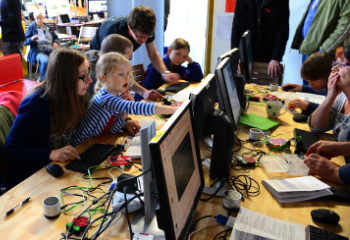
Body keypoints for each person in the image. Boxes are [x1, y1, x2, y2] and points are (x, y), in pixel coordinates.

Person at [4, 49, 92, 189]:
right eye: (83, 76)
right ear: (65, 79)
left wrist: (124, 121)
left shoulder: (77, 96)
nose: (90, 80)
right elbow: (12, 148)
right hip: (31, 180)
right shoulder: (37, 103)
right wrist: (51, 153)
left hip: (62, 170)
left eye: (88, 72)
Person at [73, 52, 178, 146]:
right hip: (80, 146)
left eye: (128, 73)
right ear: (105, 78)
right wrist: (173, 110)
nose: (127, 78)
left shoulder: (117, 95)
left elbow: (112, 129)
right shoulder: (106, 98)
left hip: (95, 142)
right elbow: (136, 107)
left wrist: (124, 113)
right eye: (121, 74)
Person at [89, 5, 180, 84]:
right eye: (141, 37)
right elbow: (114, 70)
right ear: (129, 28)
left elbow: (153, 53)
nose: (144, 40)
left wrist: (165, 73)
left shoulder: (147, 30)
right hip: (97, 58)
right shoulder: (114, 35)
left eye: (147, 37)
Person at [86, 34, 163, 102]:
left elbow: (126, 78)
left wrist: (144, 92)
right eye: (127, 57)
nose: (130, 59)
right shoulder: (92, 75)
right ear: (115, 57)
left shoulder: (100, 56)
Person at [291, 0, 350, 87]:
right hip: (310, 50)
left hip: (326, 54)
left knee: (323, 94)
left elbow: (346, 25)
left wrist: (323, 50)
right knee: (309, 91)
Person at [308, 33, 350, 143]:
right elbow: (316, 126)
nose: (335, 68)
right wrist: (330, 96)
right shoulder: (342, 98)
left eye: (342, 64)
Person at [230, 0, 289, 77]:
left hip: (269, 56)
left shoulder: (281, 2)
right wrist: (236, 56)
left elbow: (283, 31)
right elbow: (236, 29)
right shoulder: (242, 1)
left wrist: (276, 58)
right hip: (246, 56)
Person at [139, 38, 204, 100]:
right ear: (169, 51)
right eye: (178, 54)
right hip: (148, 103)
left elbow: (197, 77)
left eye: (184, 57)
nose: (180, 59)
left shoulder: (178, 67)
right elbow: (146, 91)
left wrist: (191, 62)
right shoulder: (156, 67)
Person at [25, 10, 59, 81]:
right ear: (34, 18)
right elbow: (24, 41)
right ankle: (42, 80)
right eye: (37, 18)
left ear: (43, 18)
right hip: (38, 51)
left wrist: (55, 42)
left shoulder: (48, 27)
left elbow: (55, 37)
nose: (39, 20)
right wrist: (31, 39)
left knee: (61, 59)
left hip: (50, 50)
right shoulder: (31, 28)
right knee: (45, 61)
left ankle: (54, 80)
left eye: (40, 18)